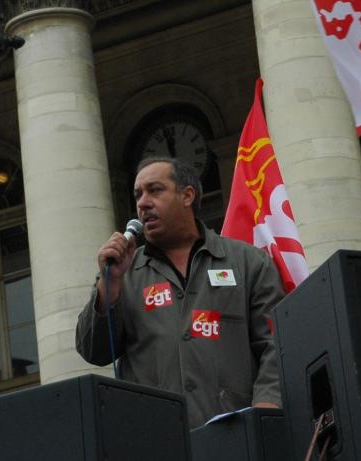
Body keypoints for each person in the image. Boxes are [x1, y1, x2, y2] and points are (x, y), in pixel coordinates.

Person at [75, 156, 285, 428]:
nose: (143, 202)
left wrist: (267, 408)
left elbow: (276, 343)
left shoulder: (247, 262)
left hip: (237, 433)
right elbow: (93, 351)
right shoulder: (123, 273)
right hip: (157, 438)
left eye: (154, 190)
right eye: (138, 195)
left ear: (187, 196)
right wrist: (109, 285)